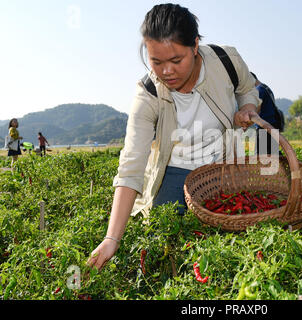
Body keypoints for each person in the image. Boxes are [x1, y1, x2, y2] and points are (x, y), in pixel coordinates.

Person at [86, 4, 261, 271]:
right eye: (156, 62)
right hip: (174, 171)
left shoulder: (225, 60)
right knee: (165, 246)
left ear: (195, 46)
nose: (166, 71)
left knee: (229, 247)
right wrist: (112, 238)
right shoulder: (147, 95)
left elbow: (248, 89)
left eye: (176, 60)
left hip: (222, 166)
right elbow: (131, 165)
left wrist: (248, 107)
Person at [250, 72, 282, 156]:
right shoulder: (266, 88)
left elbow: (256, 110)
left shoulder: (258, 90)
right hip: (272, 125)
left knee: (259, 155)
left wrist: (247, 122)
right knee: (273, 153)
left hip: (263, 126)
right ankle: (288, 166)